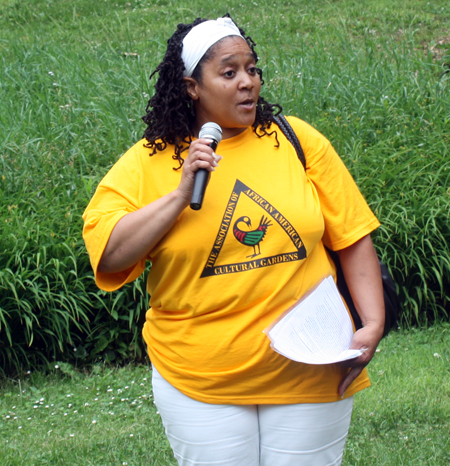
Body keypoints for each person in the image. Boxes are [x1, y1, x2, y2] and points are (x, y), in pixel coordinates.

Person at [82, 14, 385, 466]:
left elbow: (353, 236)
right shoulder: (149, 160)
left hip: (310, 364)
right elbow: (109, 256)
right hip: (201, 379)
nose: (247, 82)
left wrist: (372, 322)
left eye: (252, 68)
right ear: (191, 87)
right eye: (229, 72)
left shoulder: (296, 140)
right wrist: (181, 194)